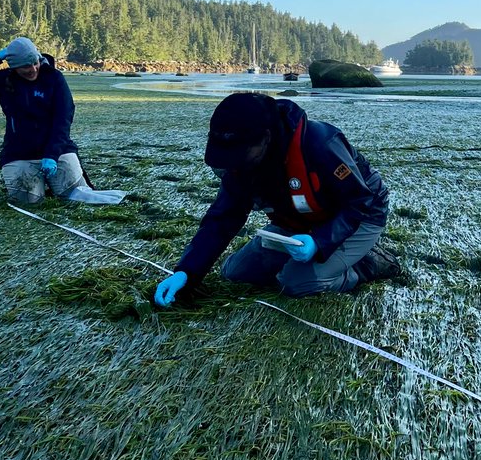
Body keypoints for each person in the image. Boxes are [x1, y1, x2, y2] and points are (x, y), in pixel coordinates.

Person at [154, 92, 400, 306]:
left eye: (239, 153)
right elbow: (223, 217)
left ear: (266, 138)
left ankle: (368, 264)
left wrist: (319, 241)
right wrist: (186, 272)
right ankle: (318, 257)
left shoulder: (320, 143)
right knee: (235, 272)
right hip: (299, 219)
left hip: (360, 216)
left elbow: (359, 201)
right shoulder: (241, 162)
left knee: (296, 283)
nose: (232, 164)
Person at [0, 36, 87, 205]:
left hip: (58, 150)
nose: (33, 69)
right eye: (25, 66)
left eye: (35, 62)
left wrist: (52, 154)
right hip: (19, 154)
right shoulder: (4, 80)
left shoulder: (54, 78)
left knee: (75, 197)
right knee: (28, 202)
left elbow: (63, 119)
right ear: (14, 66)